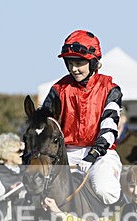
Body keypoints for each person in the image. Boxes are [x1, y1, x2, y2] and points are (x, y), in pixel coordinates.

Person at [41, 30, 123, 204]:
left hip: (101, 154)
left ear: (93, 62)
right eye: (69, 63)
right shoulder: (58, 89)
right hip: (65, 153)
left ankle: (122, 220)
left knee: (105, 190)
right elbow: (45, 124)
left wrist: (93, 154)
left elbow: (109, 128)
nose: (74, 69)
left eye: (79, 63)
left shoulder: (111, 89)